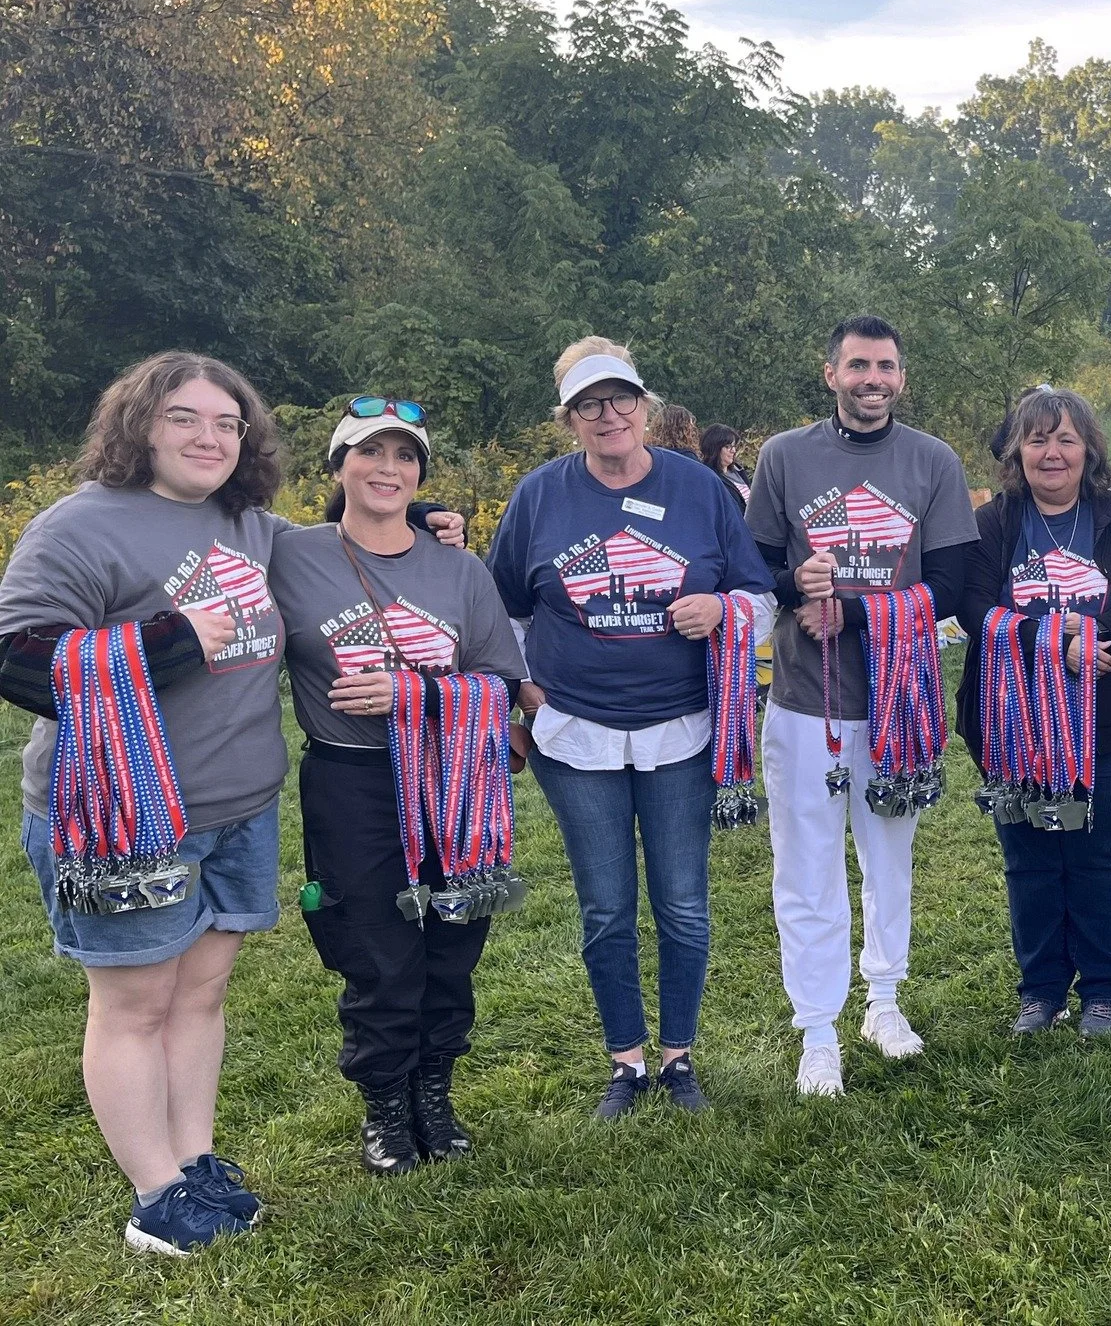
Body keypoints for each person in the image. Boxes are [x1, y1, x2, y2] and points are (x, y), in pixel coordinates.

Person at [0, 354, 461, 1254]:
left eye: (227, 423)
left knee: (201, 996)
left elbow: (343, 549)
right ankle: (155, 1193)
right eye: (185, 418)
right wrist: (166, 642)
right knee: (133, 1003)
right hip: (123, 814)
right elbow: (18, 658)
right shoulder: (78, 528)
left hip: (240, 805)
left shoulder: (247, 523)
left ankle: (197, 1162)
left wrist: (418, 523)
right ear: (140, 424)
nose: (209, 438)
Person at [488, 338, 776, 1120]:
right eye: (590, 404)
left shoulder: (699, 489)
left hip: (680, 731)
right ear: (570, 418)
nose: (608, 415)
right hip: (575, 735)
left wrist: (724, 611)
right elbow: (501, 607)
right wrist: (523, 691)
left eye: (621, 400)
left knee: (683, 904)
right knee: (606, 906)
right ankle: (626, 1060)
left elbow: (760, 594)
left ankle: (679, 1056)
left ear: (644, 407)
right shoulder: (539, 496)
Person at [270, 401, 525, 1174]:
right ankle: (385, 1105)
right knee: (375, 948)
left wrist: (414, 697)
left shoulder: (458, 565)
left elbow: (501, 679)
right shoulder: (291, 554)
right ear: (337, 465)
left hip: (455, 777)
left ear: (420, 473)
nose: (388, 468)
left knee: (452, 941)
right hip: (353, 779)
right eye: (369, 452)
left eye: (405, 456)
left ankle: (434, 1093)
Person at [747, 314, 978, 1096]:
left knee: (888, 856)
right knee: (806, 867)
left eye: (885, 366)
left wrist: (867, 612)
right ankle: (817, 1030)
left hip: (897, 701)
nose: (871, 379)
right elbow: (754, 563)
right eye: (857, 366)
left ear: (901, 377)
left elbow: (955, 578)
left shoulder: (932, 461)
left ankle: (884, 1001)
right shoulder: (784, 456)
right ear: (831, 373)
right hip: (804, 699)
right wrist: (796, 589)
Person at [955, 388, 1111, 1038]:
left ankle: (1103, 991)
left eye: (1065, 439)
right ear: (1016, 453)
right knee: (1028, 859)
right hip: (1009, 725)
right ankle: (1041, 991)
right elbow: (972, 607)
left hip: (1106, 727)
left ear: (1089, 450)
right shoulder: (993, 524)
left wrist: (1099, 634)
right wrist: (1057, 644)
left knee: (1096, 856)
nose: (1051, 453)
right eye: (1036, 440)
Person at [700, 423, 751, 508]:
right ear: (715, 449)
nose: (733, 451)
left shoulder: (738, 470)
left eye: (734, 446)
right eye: (728, 447)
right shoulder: (708, 477)